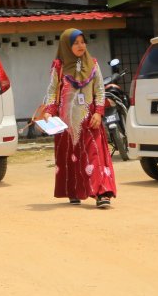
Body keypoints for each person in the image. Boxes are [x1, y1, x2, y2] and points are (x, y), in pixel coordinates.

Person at [39, 28, 117, 208]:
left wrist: (98, 112)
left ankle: (102, 193)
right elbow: (52, 91)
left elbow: (99, 90)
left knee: (94, 155)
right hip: (66, 122)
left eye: (83, 42)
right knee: (71, 157)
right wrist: (49, 111)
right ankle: (73, 191)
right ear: (67, 45)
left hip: (90, 119)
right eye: (75, 43)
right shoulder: (58, 67)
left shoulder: (93, 64)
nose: (81, 46)